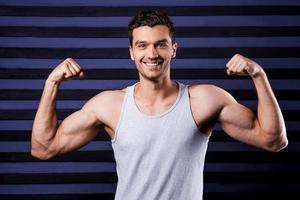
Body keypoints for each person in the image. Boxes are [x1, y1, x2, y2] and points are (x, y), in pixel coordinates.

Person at [31, 9, 288, 200]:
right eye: (142, 45)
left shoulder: (204, 100)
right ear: (131, 52)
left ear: (173, 50)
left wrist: (258, 75)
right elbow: (44, 148)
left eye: (160, 45)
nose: (152, 54)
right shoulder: (110, 105)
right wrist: (52, 83)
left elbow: (273, 140)